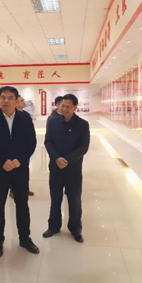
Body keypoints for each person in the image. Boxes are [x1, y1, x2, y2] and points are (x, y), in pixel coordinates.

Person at [0, 86, 38, 258]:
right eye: (3, 97)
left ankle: (25, 238)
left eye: (10, 98)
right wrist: (2, 162)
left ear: (16, 100)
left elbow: (31, 142)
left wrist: (19, 160)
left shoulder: (25, 118)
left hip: (20, 170)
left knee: (22, 204)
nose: (6, 101)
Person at [43, 94, 90, 243]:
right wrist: (56, 158)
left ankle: (75, 229)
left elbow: (83, 147)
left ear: (75, 107)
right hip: (56, 168)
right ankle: (53, 226)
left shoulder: (82, 125)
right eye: (62, 106)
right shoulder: (53, 122)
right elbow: (48, 141)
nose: (64, 109)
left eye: (68, 107)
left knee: (74, 200)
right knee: (55, 198)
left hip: (73, 170)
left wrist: (67, 160)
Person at [14, 96, 35, 197]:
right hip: (15, 148)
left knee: (25, 169)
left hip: (25, 148)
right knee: (15, 171)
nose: (24, 102)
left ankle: (25, 189)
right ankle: (13, 190)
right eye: (21, 101)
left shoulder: (26, 115)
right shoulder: (12, 115)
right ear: (16, 103)